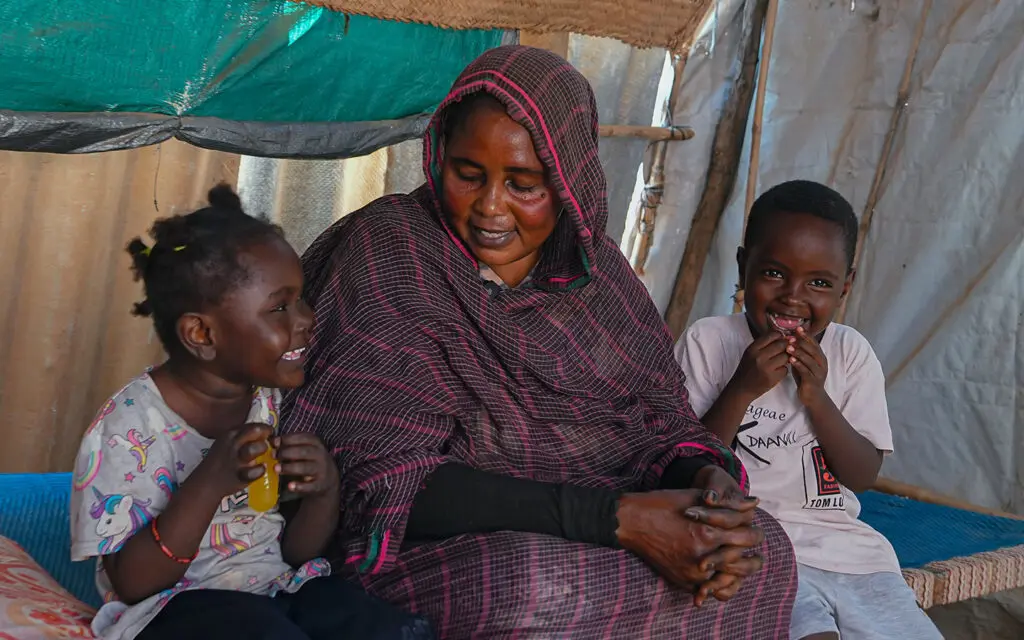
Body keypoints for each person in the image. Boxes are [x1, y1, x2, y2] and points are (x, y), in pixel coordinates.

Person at [281, 45, 797, 637]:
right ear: (439, 156)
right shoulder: (393, 251)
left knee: (766, 554)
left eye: (523, 184)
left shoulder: (598, 275)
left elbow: (663, 422)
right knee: (530, 586)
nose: (490, 208)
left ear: (569, 181)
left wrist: (706, 483)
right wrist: (618, 520)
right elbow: (383, 477)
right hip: (450, 546)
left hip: (609, 521)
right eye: (467, 175)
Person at [69, 186, 434, 640]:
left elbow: (291, 554)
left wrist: (325, 492)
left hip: (272, 592)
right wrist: (208, 482)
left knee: (378, 624)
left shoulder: (269, 402)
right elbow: (133, 583)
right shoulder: (129, 429)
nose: (305, 318)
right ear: (201, 334)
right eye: (280, 307)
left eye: (300, 299)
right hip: (172, 612)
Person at [675, 180, 943, 640]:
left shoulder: (850, 353)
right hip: (751, 548)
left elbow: (860, 476)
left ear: (845, 287)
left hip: (852, 555)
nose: (793, 298)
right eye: (774, 274)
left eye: (819, 282)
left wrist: (816, 396)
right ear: (743, 267)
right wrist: (741, 389)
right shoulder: (709, 341)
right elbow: (683, 467)